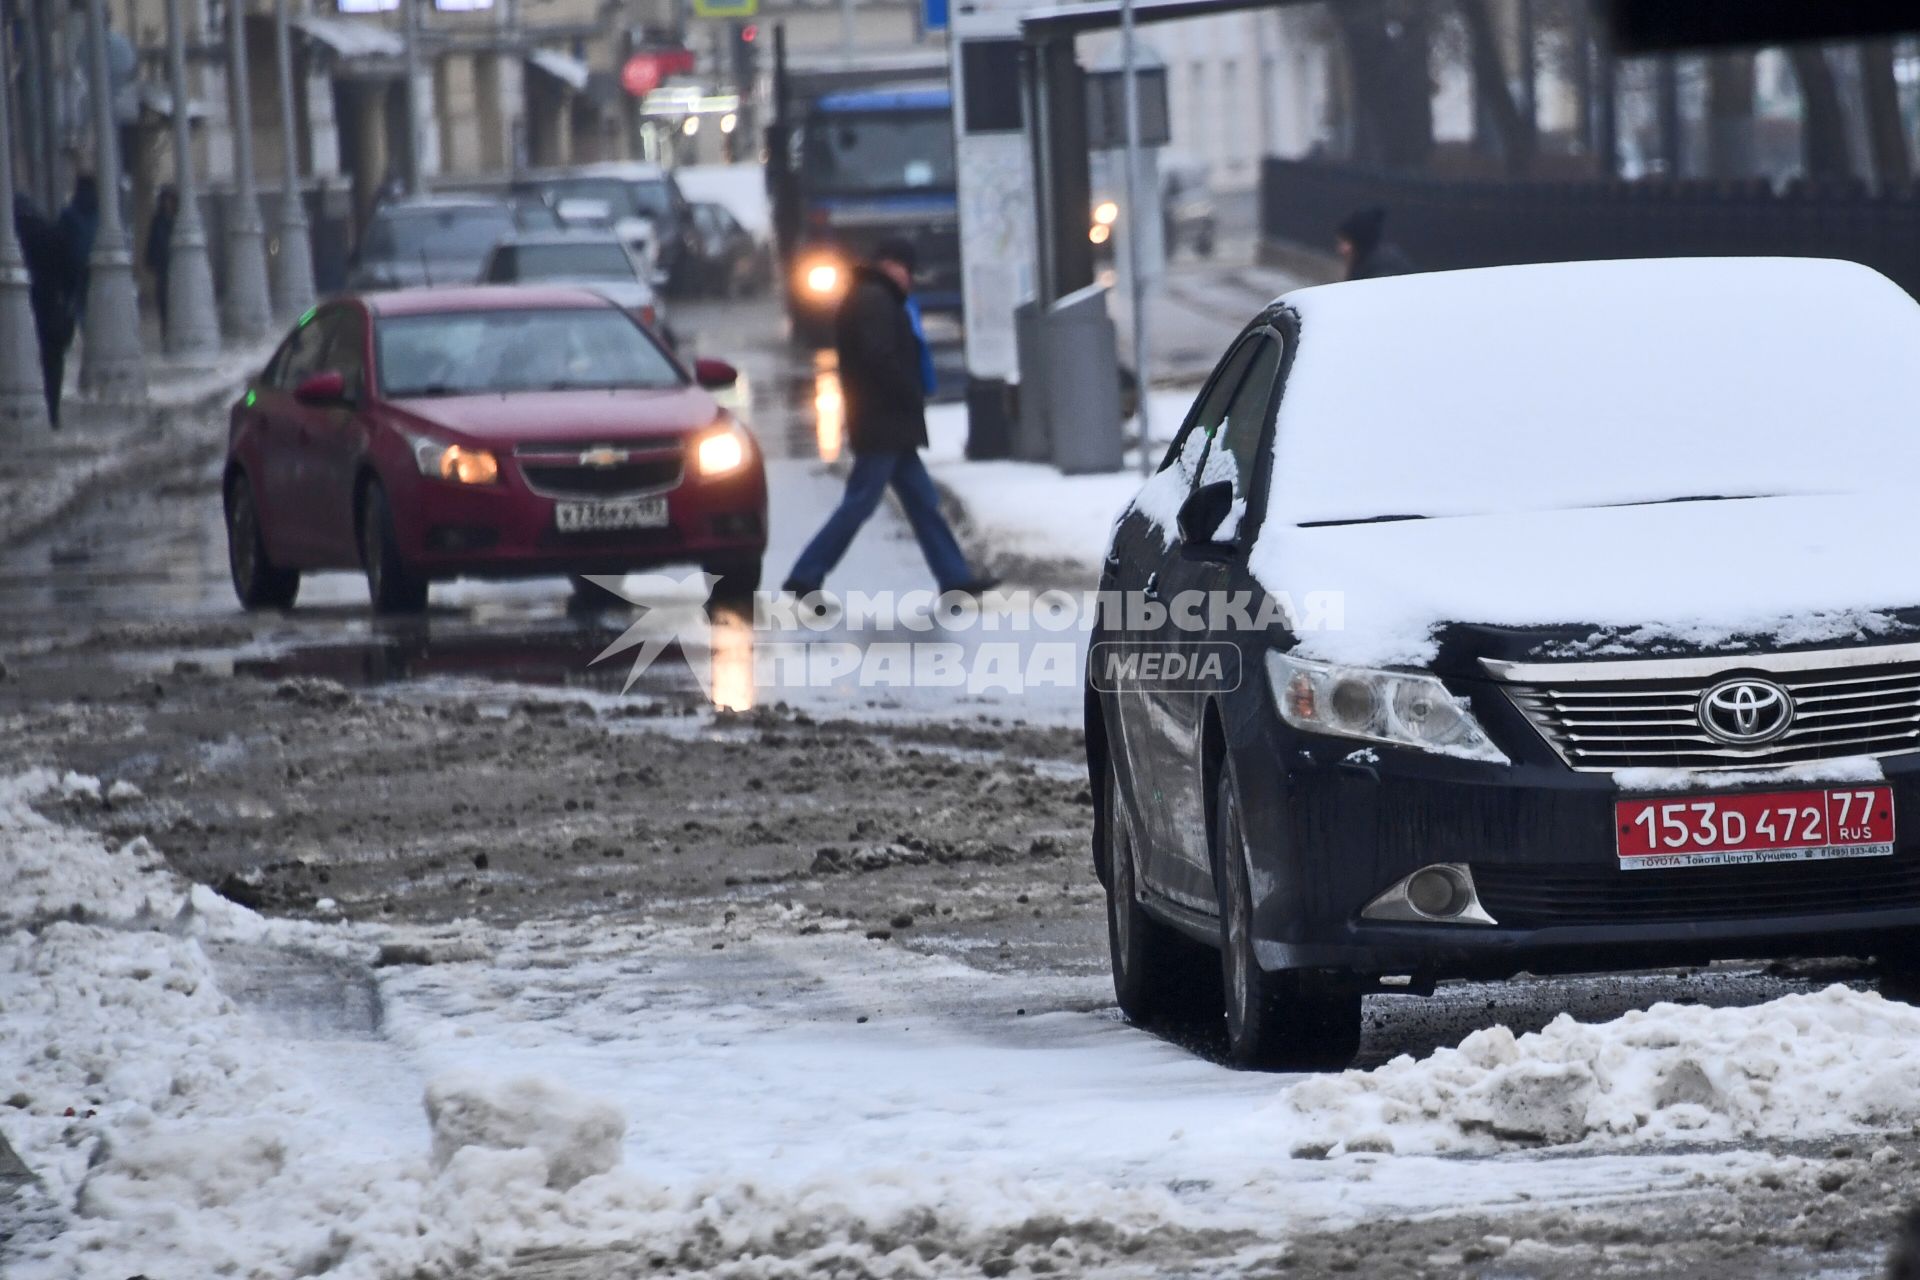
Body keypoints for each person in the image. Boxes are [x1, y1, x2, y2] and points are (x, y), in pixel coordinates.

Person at [783, 239, 995, 598]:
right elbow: (879, 357)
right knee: (862, 502)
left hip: (888, 423)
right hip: (883, 423)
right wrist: (908, 392)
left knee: (923, 502)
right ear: (891, 265)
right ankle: (806, 574)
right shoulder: (873, 300)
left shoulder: (872, 296)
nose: (910, 280)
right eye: (908, 271)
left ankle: (955, 577)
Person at [13, 195, 83, 429]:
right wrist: (66, 298)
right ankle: (51, 413)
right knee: (51, 363)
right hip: (50, 308)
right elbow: (73, 270)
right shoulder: (51, 234)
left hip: (15, 313)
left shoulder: (10, 239)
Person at [58, 175, 100, 324]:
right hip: (96, 262)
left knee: (78, 302)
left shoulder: (69, 213)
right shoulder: (99, 212)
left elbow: (60, 240)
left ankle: (83, 325)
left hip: (74, 264)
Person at [1336, 206, 1413, 281]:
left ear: (1359, 243)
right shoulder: (1367, 262)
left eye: (1345, 242)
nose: (1340, 250)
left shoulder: (1383, 272)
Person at [146, 186, 178, 340]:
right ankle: (166, 334)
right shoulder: (158, 220)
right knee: (164, 303)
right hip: (163, 268)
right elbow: (152, 243)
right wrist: (151, 261)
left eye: (170, 200)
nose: (167, 204)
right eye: (165, 200)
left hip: (177, 269)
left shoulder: (179, 220)